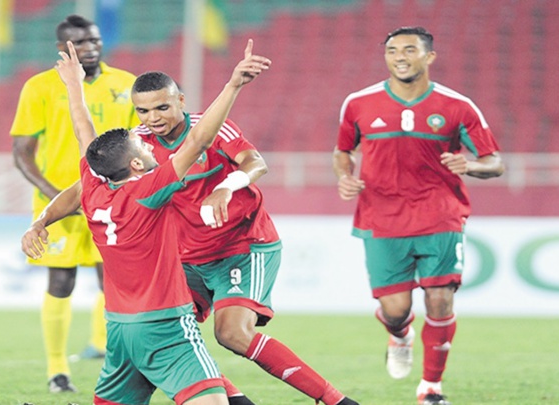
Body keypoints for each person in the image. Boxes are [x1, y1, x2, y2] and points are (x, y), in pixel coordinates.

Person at [31, 44, 359, 405]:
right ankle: (231, 399)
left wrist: (226, 185)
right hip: (186, 258)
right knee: (171, 332)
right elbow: (82, 185)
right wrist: (44, 219)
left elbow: (255, 162)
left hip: (240, 245)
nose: (152, 117)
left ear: (180, 100)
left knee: (232, 334)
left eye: (162, 107)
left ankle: (335, 400)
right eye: (142, 110)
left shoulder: (210, 127)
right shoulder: (139, 148)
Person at [23, 38, 270, 405]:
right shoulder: (147, 191)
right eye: (141, 148)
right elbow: (199, 139)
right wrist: (232, 85)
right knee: (215, 401)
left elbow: (83, 130)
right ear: (136, 164)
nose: (148, 142)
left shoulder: (93, 187)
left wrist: (39, 222)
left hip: (120, 328)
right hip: (166, 324)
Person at [333, 26, 504, 405]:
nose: (400, 56)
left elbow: (496, 163)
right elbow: (343, 150)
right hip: (381, 216)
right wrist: (345, 177)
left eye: (409, 50)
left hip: (439, 214)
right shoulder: (359, 103)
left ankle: (431, 387)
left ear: (429, 57)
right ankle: (399, 334)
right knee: (396, 310)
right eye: (392, 50)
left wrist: (470, 165)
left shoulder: (457, 106)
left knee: (440, 300)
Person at [10, 14, 139, 393]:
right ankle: (57, 371)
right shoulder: (40, 87)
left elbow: (140, 145)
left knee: (112, 281)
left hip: (112, 202)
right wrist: (57, 198)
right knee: (61, 281)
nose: (90, 47)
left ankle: (110, 357)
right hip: (61, 207)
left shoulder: (125, 84)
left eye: (94, 40)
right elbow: (22, 153)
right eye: (79, 42)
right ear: (61, 48)